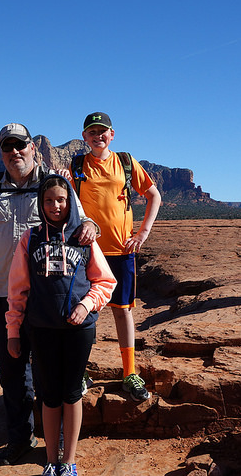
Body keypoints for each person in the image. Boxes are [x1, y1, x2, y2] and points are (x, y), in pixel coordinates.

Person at [0, 123, 98, 465]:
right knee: (12, 369)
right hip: (2, 295)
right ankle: (21, 439)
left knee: (53, 370)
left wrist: (93, 225)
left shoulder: (53, 184)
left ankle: (61, 445)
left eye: (20, 146)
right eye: (8, 148)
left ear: (33, 148)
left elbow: (79, 221)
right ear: (1, 152)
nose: (14, 153)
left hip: (47, 296)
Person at [7, 174, 116, 476]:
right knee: (49, 396)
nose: (55, 206)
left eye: (61, 200)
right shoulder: (29, 239)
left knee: (71, 393)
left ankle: (69, 462)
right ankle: (51, 461)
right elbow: (17, 291)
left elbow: (105, 281)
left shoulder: (83, 237)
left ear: (70, 202)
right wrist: (13, 332)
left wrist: (86, 304)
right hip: (41, 329)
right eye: (49, 200)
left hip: (79, 330)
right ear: (40, 204)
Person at [69, 112, 161, 402]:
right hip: (87, 252)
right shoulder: (75, 166)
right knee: (85, 312)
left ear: (112, 135)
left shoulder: (125, 162)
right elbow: (65, 204)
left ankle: (129, 373)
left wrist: (143, 233)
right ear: (84, 137)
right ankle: (80, 370)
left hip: (121, 251)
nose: (98, 136)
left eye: (103, 131)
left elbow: (153, 195)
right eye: (92, 132)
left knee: (122, 310)